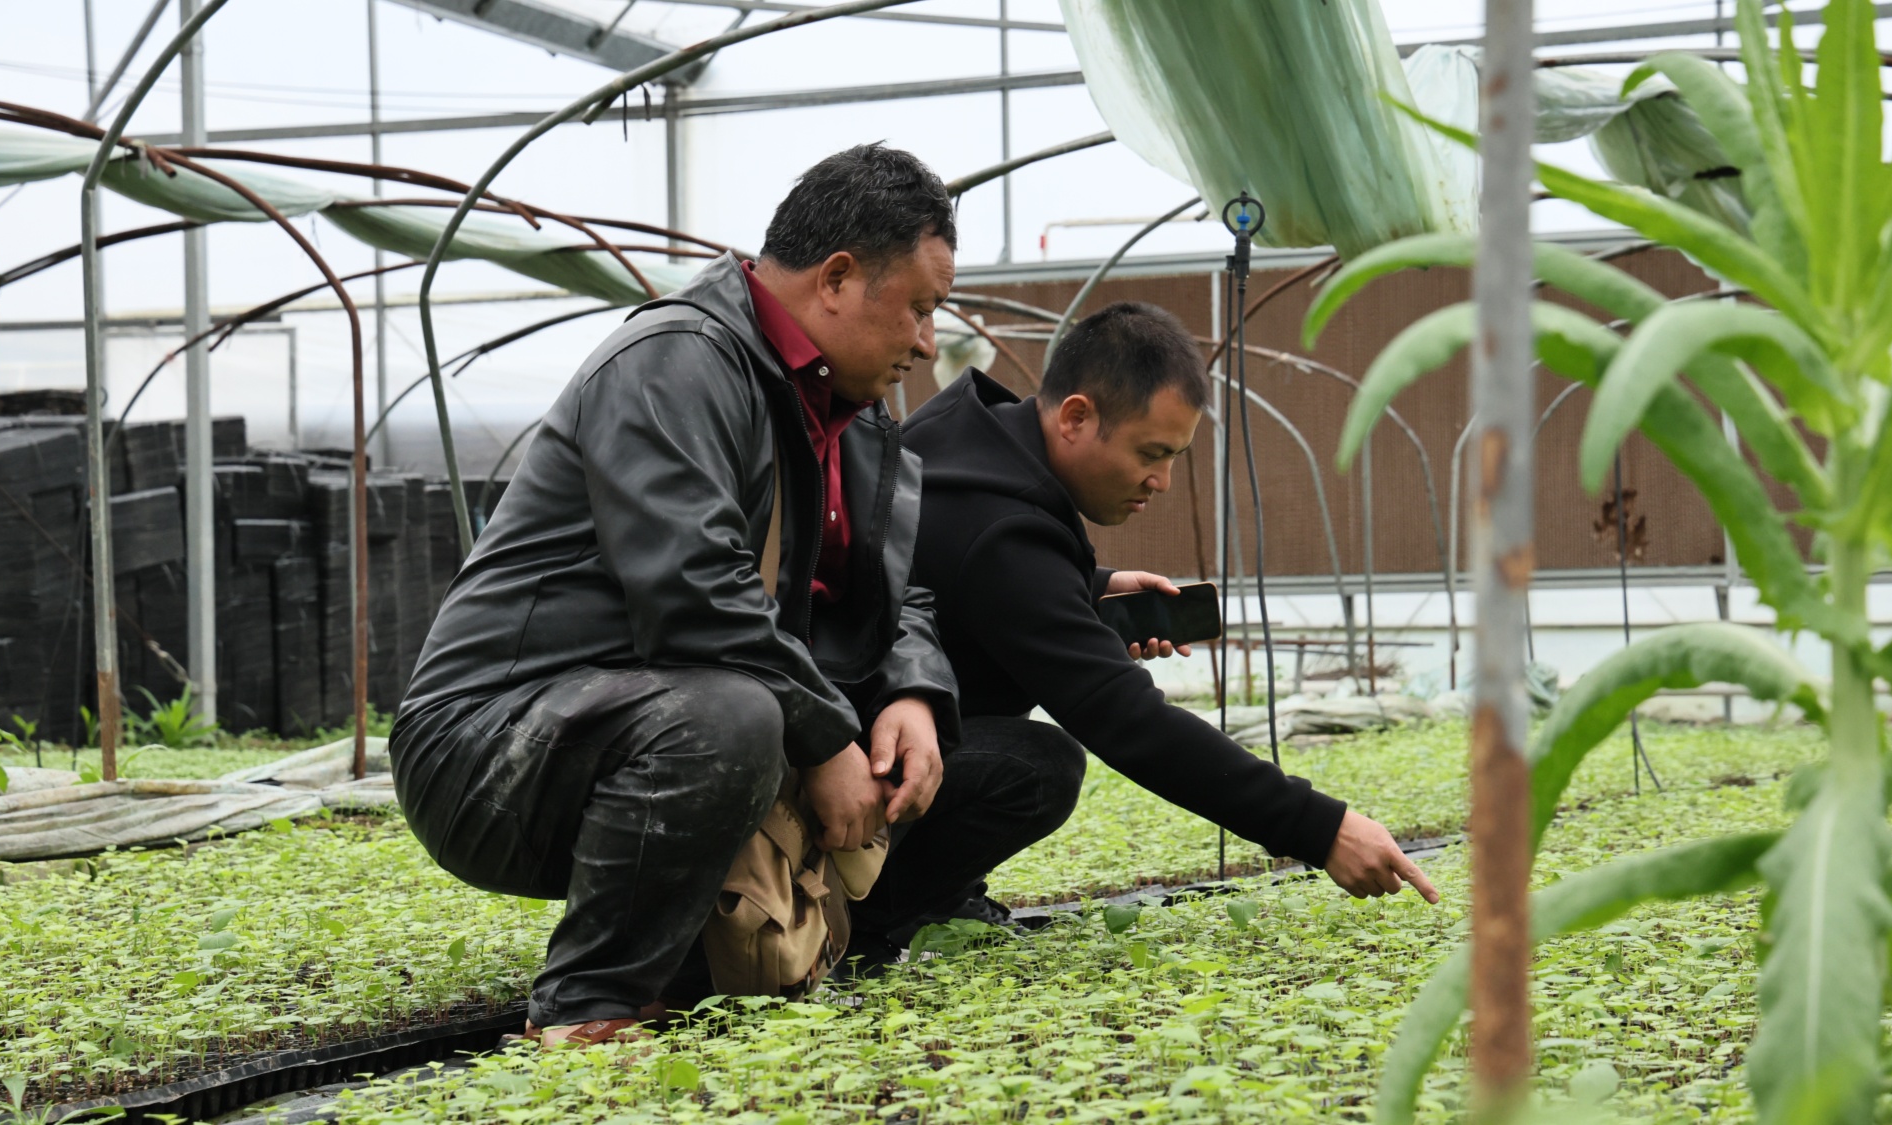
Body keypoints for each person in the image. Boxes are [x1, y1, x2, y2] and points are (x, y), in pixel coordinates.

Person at [390, 144, 962, 1047]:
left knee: (1017, 765)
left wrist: (912, 695)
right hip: (489, 742)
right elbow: (694, 594)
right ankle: (589, 1002)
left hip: (646, 714)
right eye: (921, 308)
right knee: (734, 716)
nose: (927, 341)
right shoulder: (676, 362)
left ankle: (734, 955)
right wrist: (826, 739)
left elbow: (898, 585)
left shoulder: (840, 412)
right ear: (838, 278)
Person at [849, 300, 1436, 960]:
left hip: (865, 725)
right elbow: (1127, 720)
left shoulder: (968, 441)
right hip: (850, 770)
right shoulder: (1002, 533)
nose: (1162, 480)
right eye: (1151, 453)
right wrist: (1323, 829)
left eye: (1176, 456)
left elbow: (965, 586)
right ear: (1076, 417)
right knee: (1039, 766)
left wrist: (1089, 587)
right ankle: (861, 921)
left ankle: (930, 899)